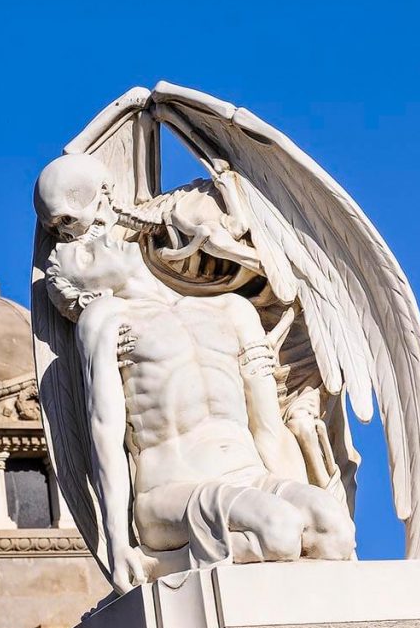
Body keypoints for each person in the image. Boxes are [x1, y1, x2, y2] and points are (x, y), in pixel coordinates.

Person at [45, 232, 355, 594]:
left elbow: (266, 426)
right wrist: (117, 542)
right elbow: (104, 431)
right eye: (84, 257)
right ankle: (154, 565)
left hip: (252, 478)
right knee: (280, 530)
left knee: (335, 532)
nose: (97, 242)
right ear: (90, 294)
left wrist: (293, 487)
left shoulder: (231, 308)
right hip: (171, 490)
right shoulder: (107, 318)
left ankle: (267, 534)